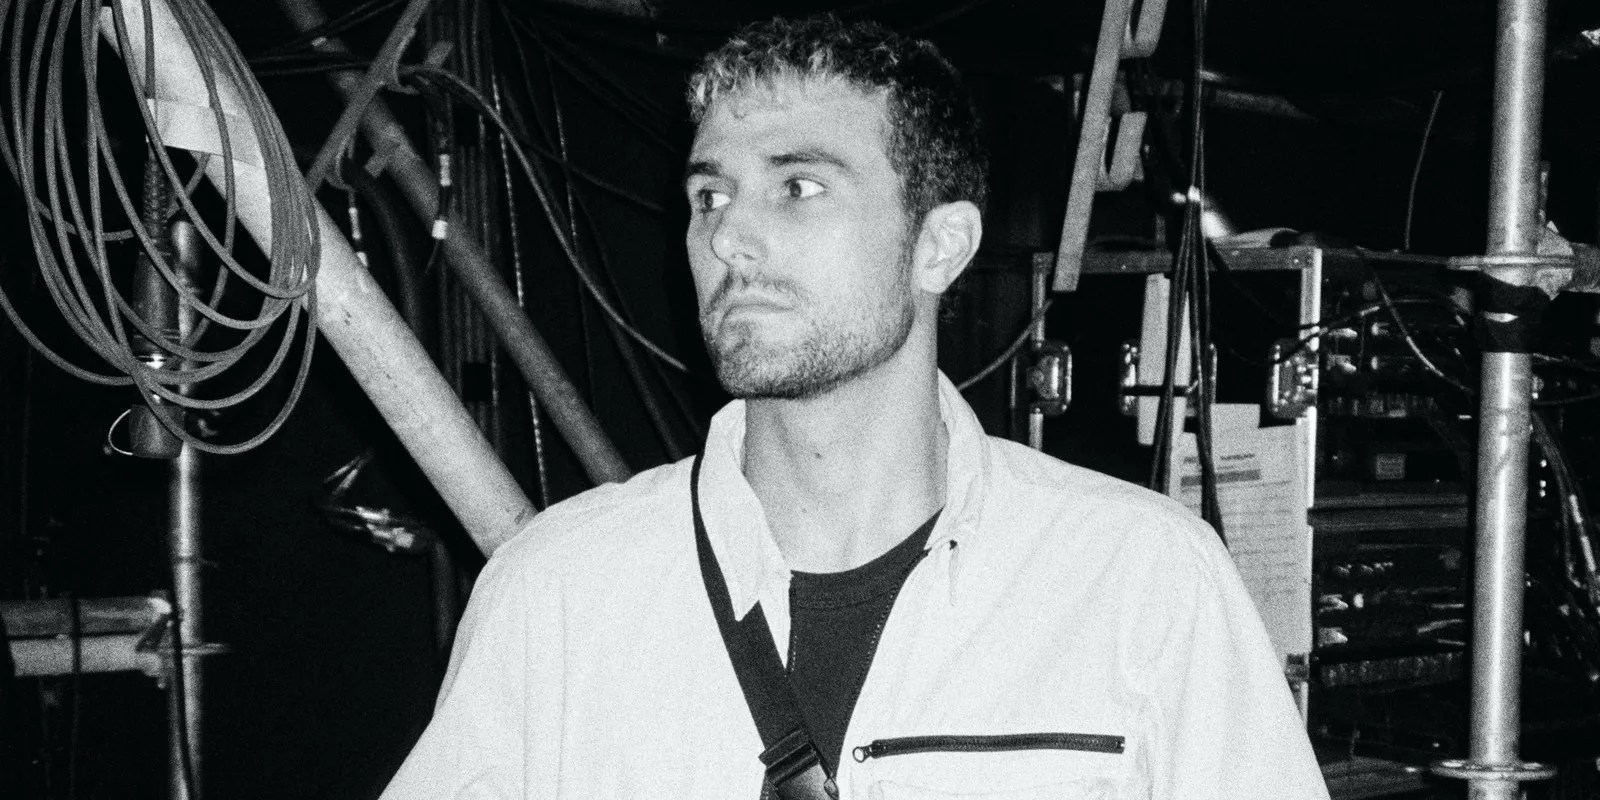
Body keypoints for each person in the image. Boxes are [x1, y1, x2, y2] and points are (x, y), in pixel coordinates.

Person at [380, 15, 1328, 800]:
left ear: (940, 246)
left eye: (798, 188)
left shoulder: (1143, 582)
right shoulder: (555, 594)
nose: (730, 236)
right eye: (710, 195)